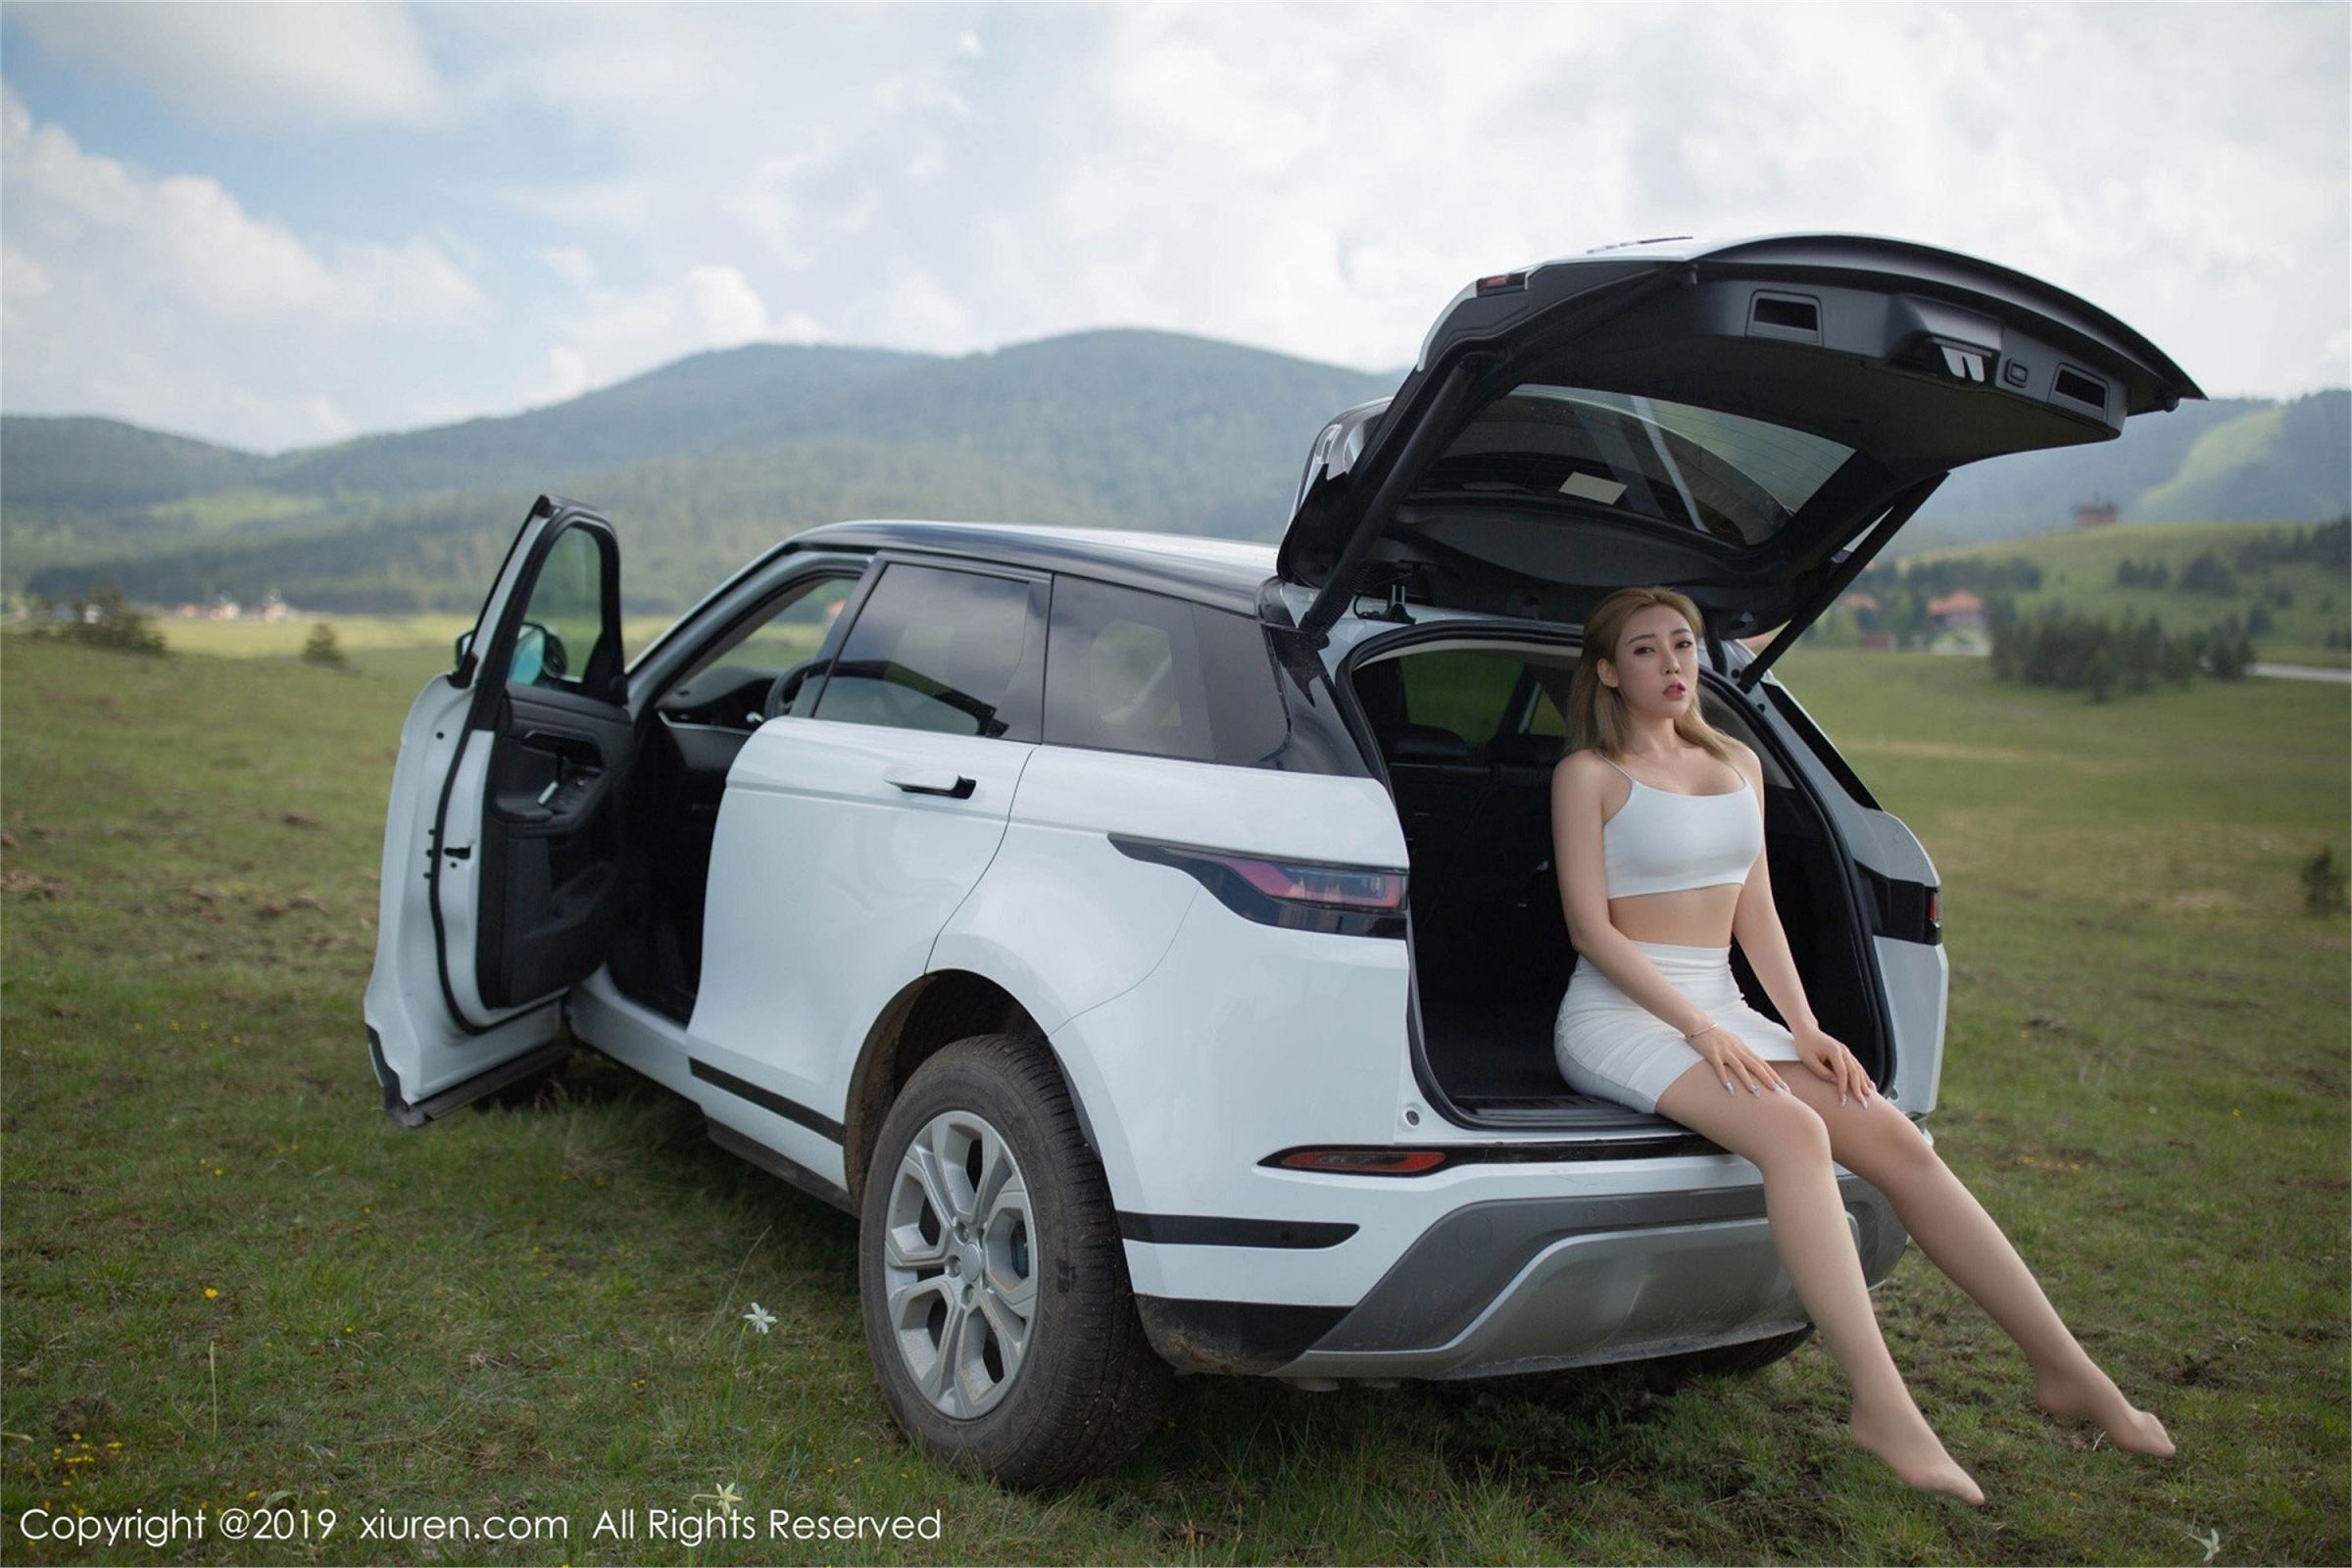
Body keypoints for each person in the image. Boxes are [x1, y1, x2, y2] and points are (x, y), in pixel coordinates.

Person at [1548, 585, 2175, 1504]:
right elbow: (1590, 930)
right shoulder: (1590, 775)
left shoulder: (1736, 763)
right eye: (1645, 649)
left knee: (1893, 1138)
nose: (1673, 663)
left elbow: (1756, 911)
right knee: (1795, 1131)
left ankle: (2069, 1371)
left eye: (1683, 643)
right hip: (1621, 1016)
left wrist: (1803, 1027)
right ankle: (1883, 1407)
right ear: (1608, 672)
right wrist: (1699, 1029)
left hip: (1723, 1004)